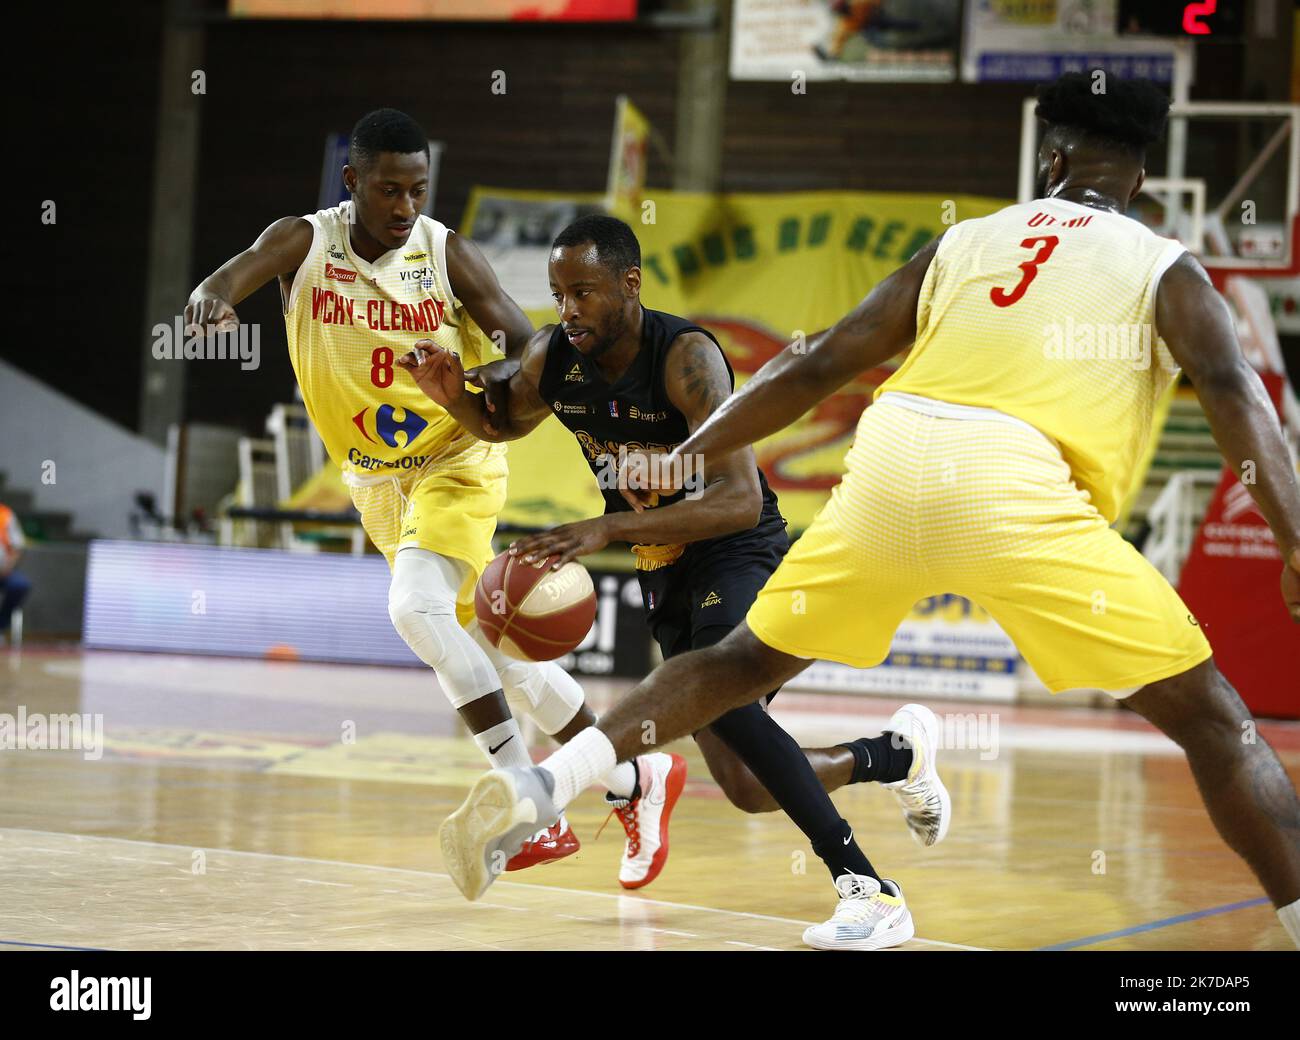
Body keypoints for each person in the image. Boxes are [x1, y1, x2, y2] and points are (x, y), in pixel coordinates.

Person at [439, 73, 1300, 950]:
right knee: (1216, 722)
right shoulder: (1165, 268)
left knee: (730, 667)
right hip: (1018, 493)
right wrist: (1294, 538)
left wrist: (684, 460)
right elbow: (1240, 398)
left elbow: (816, 365)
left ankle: (542, 787)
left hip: (892, 460)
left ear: (1048, 160)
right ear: (1144, 181)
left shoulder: (964, 242)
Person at [401, 214, 950, 906]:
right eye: (558, 293)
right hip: (663, 566)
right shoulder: (553, 357)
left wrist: (607, 527)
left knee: (730, 699)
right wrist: (453, 398)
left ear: (630, 284)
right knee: (747, 788)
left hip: (735, 551)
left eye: (584, 292)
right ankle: (895, 754)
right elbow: (503, 422)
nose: (568, 310)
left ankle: (863, 884)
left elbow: (740, 499)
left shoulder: (685, 358)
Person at [184, 108, 671, 880]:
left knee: (415, 612)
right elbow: (230, 274)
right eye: (389, 191)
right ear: (353, 183)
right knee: (495, 651)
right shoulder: (303, 242)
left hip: (456, 456)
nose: (406, 207)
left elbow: (528, 343)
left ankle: (526, 799)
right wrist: (210, 299)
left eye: (417, 190)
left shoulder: (449, 255)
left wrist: (491, 376)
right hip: (373, 481)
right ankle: (635, 778)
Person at [0, 501, 31, 638]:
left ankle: (1, 626)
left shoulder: (5, 514)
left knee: (20, 585)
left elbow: (17, 547)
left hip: (3, 572)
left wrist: (7, 567)